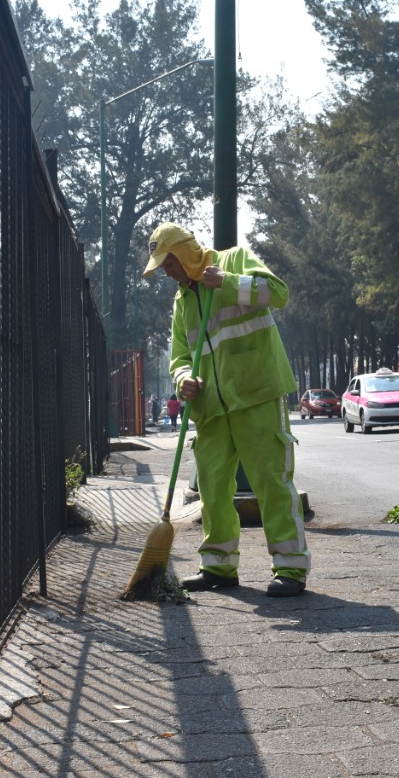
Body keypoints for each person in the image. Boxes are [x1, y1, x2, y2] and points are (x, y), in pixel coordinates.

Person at [142, 221, 309, 598]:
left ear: (184, 252)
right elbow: (180, 357)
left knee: (271, 481)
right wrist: (184, 378)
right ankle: (218, 565)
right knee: (213, 489)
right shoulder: (182, 301)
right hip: (210, 406)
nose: (167, 273)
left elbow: (279, 293)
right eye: (163, 268)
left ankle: (291, 568)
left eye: (169, 264)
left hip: (257, 392)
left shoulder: (235, 259)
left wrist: (229, 282)